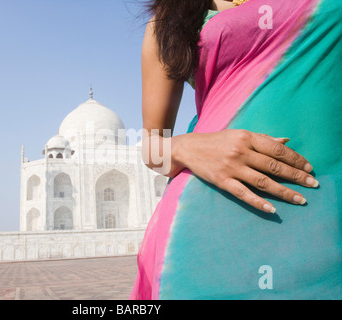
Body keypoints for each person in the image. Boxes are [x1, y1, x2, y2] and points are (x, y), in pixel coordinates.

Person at [131, 0, 342, 299]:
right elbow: (153, 147)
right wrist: (188, 146)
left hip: (329, 222)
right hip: (209, 231)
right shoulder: (174, 13)